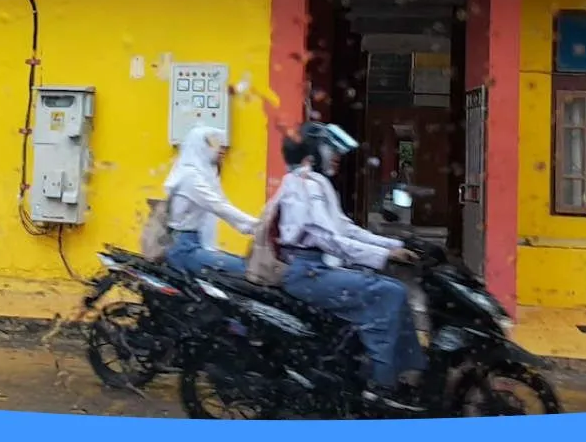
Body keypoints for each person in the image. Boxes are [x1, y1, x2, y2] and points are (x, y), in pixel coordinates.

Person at [274, 122, 428, 411]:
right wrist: (382, 256)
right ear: (312, 152)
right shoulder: (306, 184)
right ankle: (381, 387)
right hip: (308, 272)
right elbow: (329, 238)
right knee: (389, 294)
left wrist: (391, 246)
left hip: (317, 268)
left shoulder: (314, 182)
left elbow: (347, 229)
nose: (336, 155)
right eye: (329, 149)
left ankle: (404, 376)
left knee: (391, 290)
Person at [162, 125, 257, 276]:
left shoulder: (204, 175)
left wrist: (250, 228)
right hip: (184, 247)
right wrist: (257, 225)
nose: (221, 150)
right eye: (213, 145)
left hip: (192, 242)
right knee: (243, 269)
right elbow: (219, 207)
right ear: (200, 147)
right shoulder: (190, 177)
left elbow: (223, 204)